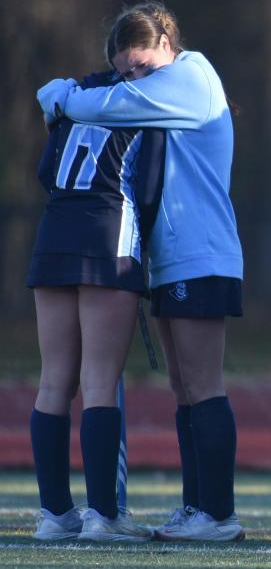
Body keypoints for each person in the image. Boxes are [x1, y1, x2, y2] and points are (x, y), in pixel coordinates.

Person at [36, 1, 246, 542]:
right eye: (125, 70)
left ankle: (217, 514)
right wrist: (61, 93)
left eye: (143, 66)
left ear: (168, 44)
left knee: (203, 384)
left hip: (201, 251)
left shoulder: (191, 77)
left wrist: (63, 96)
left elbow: (110, 105)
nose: (135, 80)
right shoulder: (147, 89)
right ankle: (197, 507)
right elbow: (109, 104)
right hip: (169, 255)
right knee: (183, 386)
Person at [29, 70, 164, 542]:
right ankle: (103, 516)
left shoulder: (77, 98)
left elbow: (47, 173)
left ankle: (55, 515)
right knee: (100, 383)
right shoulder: (150, 104)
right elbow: (148, 190)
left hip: (54, 236)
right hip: (110, 237)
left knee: (53, 383)